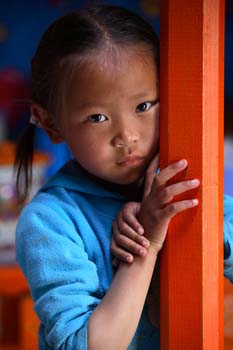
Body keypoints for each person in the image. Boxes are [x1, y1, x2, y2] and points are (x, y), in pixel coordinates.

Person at [14, 4, 233, 350]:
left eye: (144, 106)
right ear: (51, 123)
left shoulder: (180, 188)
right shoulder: (51, 222)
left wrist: (197, 226)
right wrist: (145, 247)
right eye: (98, 117)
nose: (127, 136)